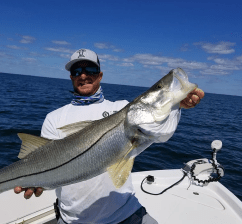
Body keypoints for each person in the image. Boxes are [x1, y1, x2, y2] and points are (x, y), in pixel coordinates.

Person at [14, 49, 205, 223]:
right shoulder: (54, 118)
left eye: (90, 69)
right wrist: (36, 182)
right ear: (71, 77)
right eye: (76, 71)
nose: (83, 75)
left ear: (100, 75)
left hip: (126, 214)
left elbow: (162, 133)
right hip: (73, 219)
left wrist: (175, 106)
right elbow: (42, 158)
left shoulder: (120, 108)